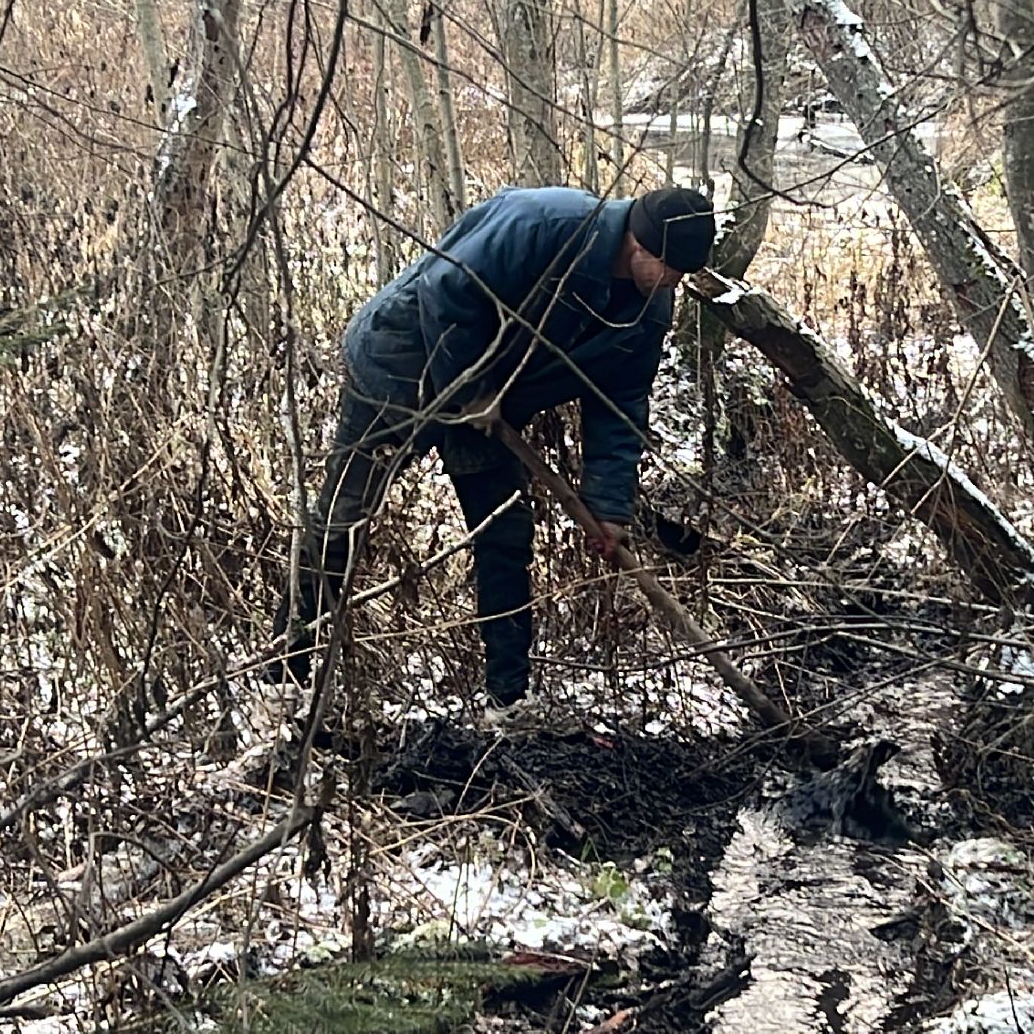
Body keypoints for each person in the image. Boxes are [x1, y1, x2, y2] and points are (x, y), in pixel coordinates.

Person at [271, 185, 716, 719]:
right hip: (399, 370)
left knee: (504, 536)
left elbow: (620, 405)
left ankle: (508, 700)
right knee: (343, 521)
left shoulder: (646, 312)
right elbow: (447, 290)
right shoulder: (545, 224)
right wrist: (469, 389)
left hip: (491, 416)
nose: (672, 282)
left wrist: (609, 507)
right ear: (639, 244)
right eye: (668, 267)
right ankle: (284, 677)